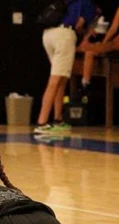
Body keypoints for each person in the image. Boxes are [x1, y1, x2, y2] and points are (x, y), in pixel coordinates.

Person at [34, 0, 96, 134]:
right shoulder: (88, 4)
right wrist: (88, 31)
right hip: (65, 36)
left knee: (61, 78)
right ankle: (42, 123)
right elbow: (79, 25)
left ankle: (58, 119)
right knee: (55, 80)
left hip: (48, 35)